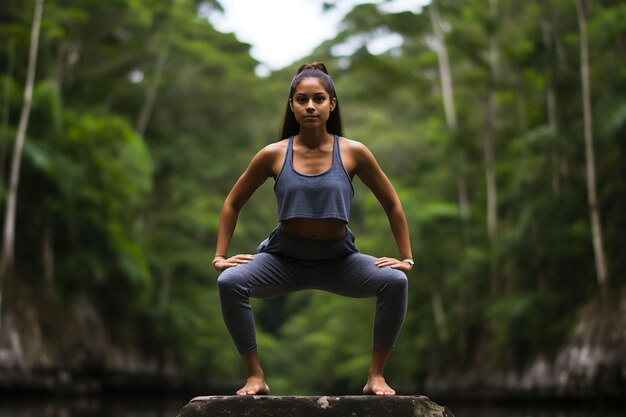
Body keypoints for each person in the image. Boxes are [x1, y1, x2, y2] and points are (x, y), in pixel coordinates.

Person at [213, 62, 413, 396]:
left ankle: (375, 376)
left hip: (339, 262)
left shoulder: (353, 152)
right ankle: (255, 376)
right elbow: (232, 203)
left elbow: (392, 203)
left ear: (331, 104)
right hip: (282, 260)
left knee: (395, 281)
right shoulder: (273, 154)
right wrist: (220, 255)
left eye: (318, 99)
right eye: (302, 99)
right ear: (291, 105)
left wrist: (406, 257)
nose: (310, 106)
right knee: (229, 282)